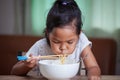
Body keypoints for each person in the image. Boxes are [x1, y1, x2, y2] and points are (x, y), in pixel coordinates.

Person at [11, 0, 101, 80]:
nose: (63, 48)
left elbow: (93, 67)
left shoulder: (81, 42)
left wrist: (93, 75)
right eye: (56, 41)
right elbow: (14, 71)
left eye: (70, 42)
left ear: (79, 35)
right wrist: (27, 66)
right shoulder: (41, 46)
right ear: (47, 33)